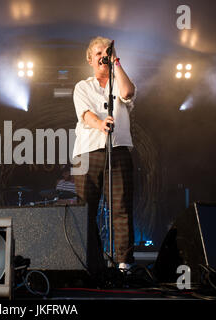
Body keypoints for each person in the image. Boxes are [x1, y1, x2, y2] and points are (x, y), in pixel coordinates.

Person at [72, 37, 137, 275]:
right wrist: (101, 124)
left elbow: (128, 92)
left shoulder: (119, 82)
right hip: (87, 152)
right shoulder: (82, 86)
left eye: (106, 52)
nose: (102, 55)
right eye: (97, 52)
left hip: (118, 149)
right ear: (90, 59)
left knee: (121, 207)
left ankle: (124, 263)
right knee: (85, 209)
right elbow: (85, 114)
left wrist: (116, 61)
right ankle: (90, 261)